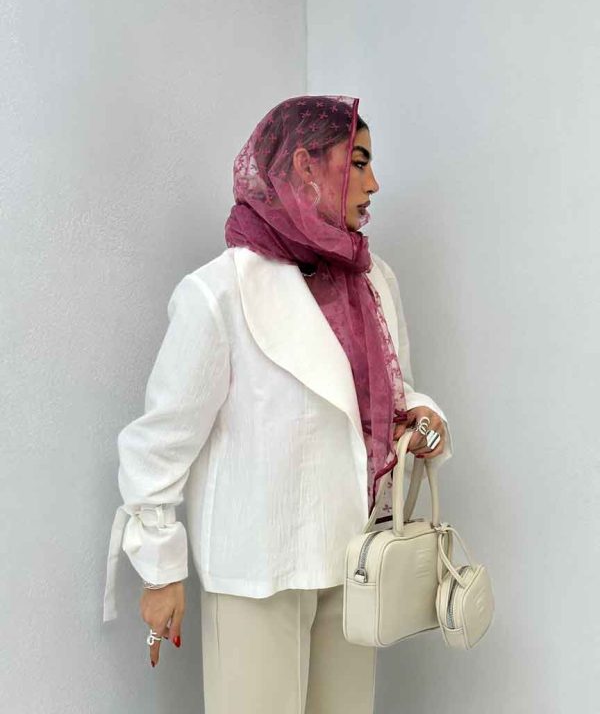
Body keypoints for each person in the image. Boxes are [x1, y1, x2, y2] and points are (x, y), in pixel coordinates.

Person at [102, 94, 453, 713]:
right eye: (359, 162)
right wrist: (160, 568)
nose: (374, 183)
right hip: (258, 563)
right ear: (304, 165)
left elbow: (389, 392)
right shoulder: (220, 291)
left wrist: (423, 417)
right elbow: (162, 440)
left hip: (352, 556)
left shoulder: (373, 278)